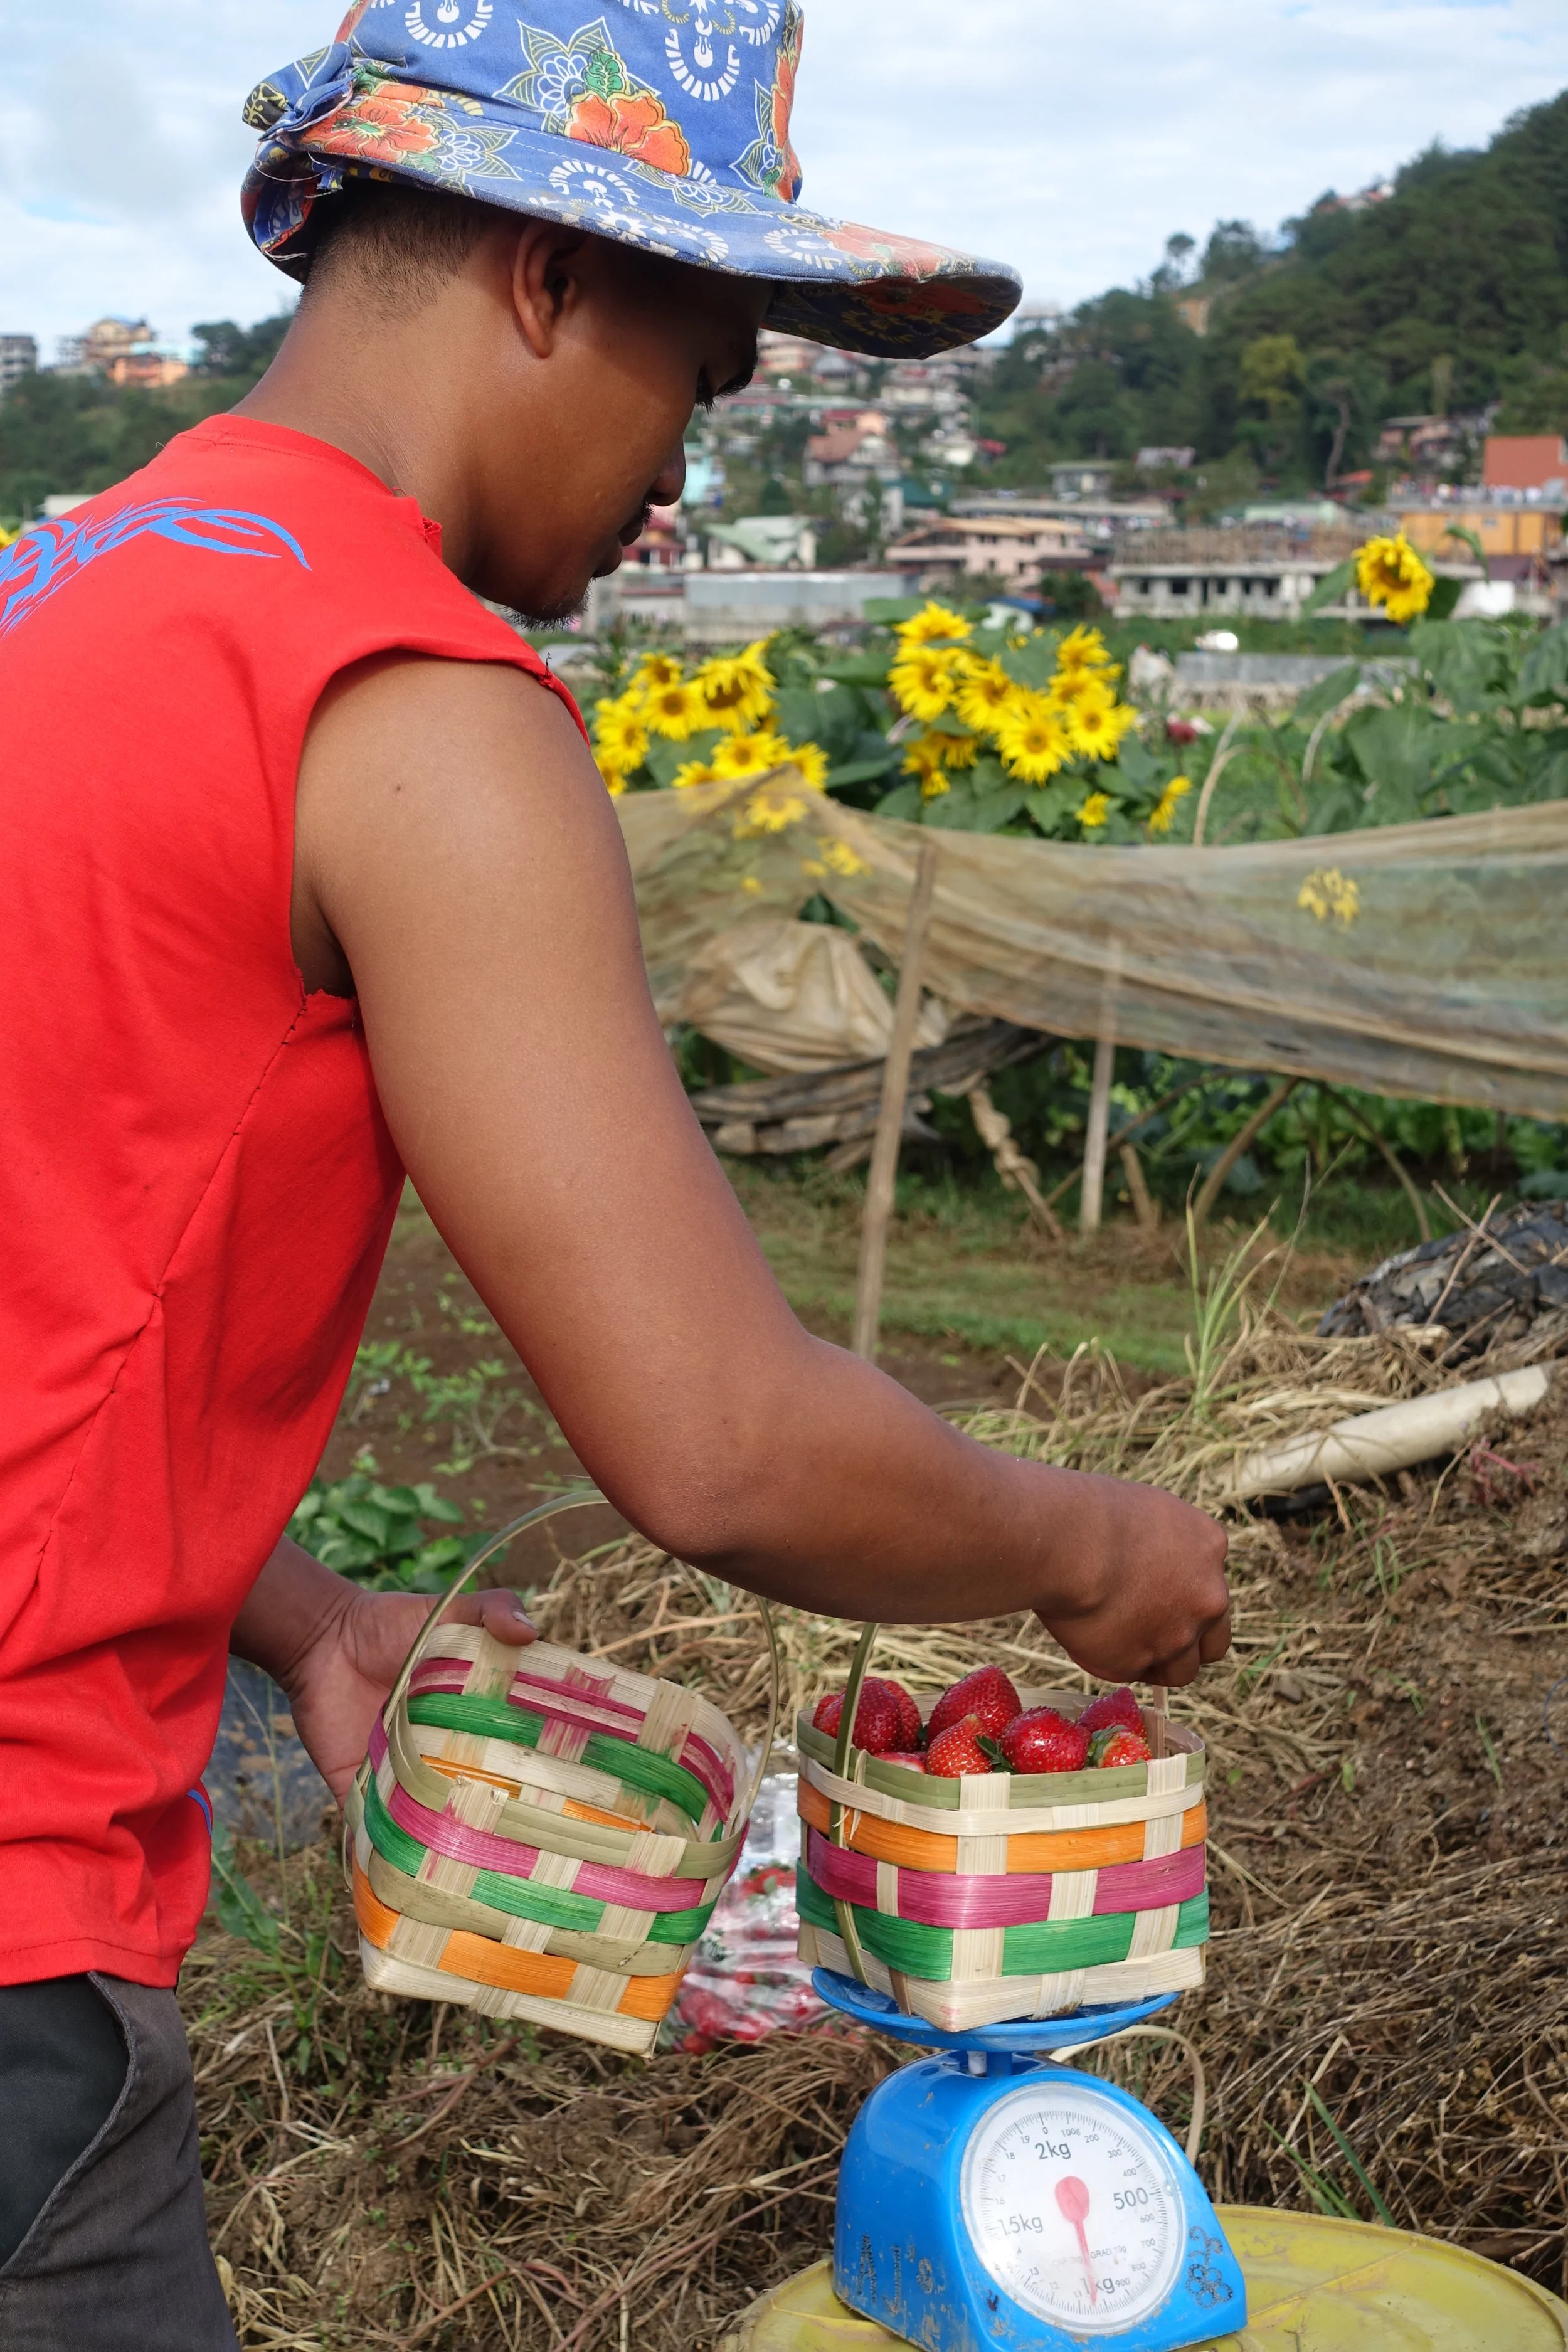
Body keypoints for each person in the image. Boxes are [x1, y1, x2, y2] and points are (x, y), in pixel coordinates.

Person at [0, 5, 1231, 2342]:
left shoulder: (62, 603)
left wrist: (299, 1616)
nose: (679, 471)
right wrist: (1093, 1543)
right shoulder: (403, 695)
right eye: (703, 375)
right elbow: (720, 1440)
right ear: (550, 276)